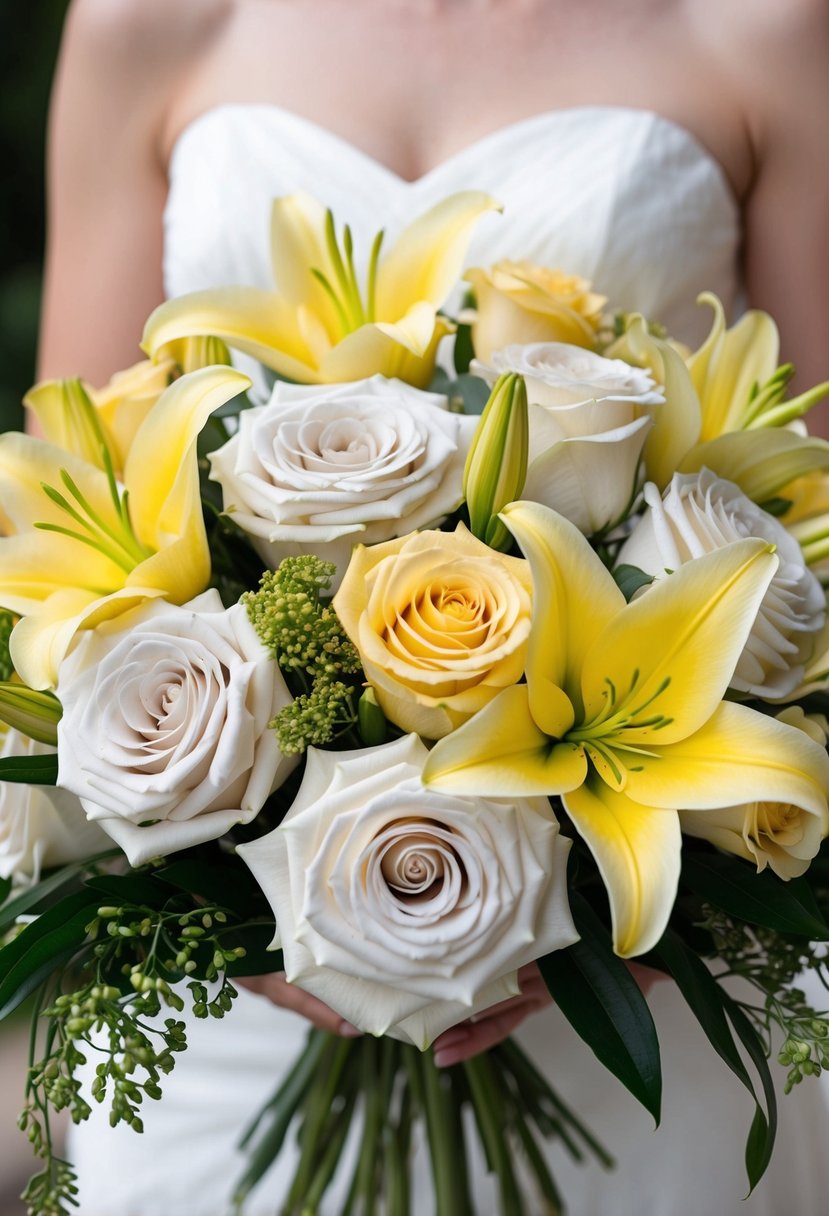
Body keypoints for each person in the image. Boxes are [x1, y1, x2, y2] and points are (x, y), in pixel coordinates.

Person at [37, 0, 829, 1212]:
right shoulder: (146, 22)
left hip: (630, 968)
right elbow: (68, 494)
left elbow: (811, 514)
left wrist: (629, 922)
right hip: (230, 1012)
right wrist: (239, 903)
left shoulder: (767, 25)